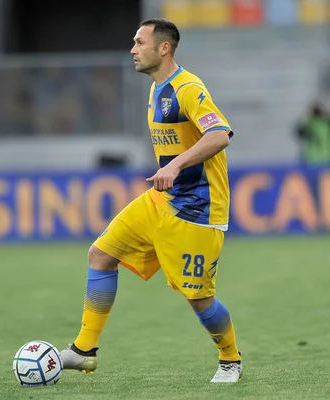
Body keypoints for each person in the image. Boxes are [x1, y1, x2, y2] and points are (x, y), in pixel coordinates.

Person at [59, 18, 242, 383]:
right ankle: (83, 351)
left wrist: (174, 164)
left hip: (198, 210)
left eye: (139, 42)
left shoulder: (188, 88)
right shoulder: (157, 88)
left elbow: (220, 134)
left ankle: (230, 360)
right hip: (161, 200)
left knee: (199, 299)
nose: (132, 49)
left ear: (163, 48)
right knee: (100, 254)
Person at [295, 101, 330, 166]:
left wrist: (306, 115)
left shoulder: (308, 124)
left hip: (315, 158)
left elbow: (299, 133)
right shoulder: (327, 123)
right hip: (324, 157)